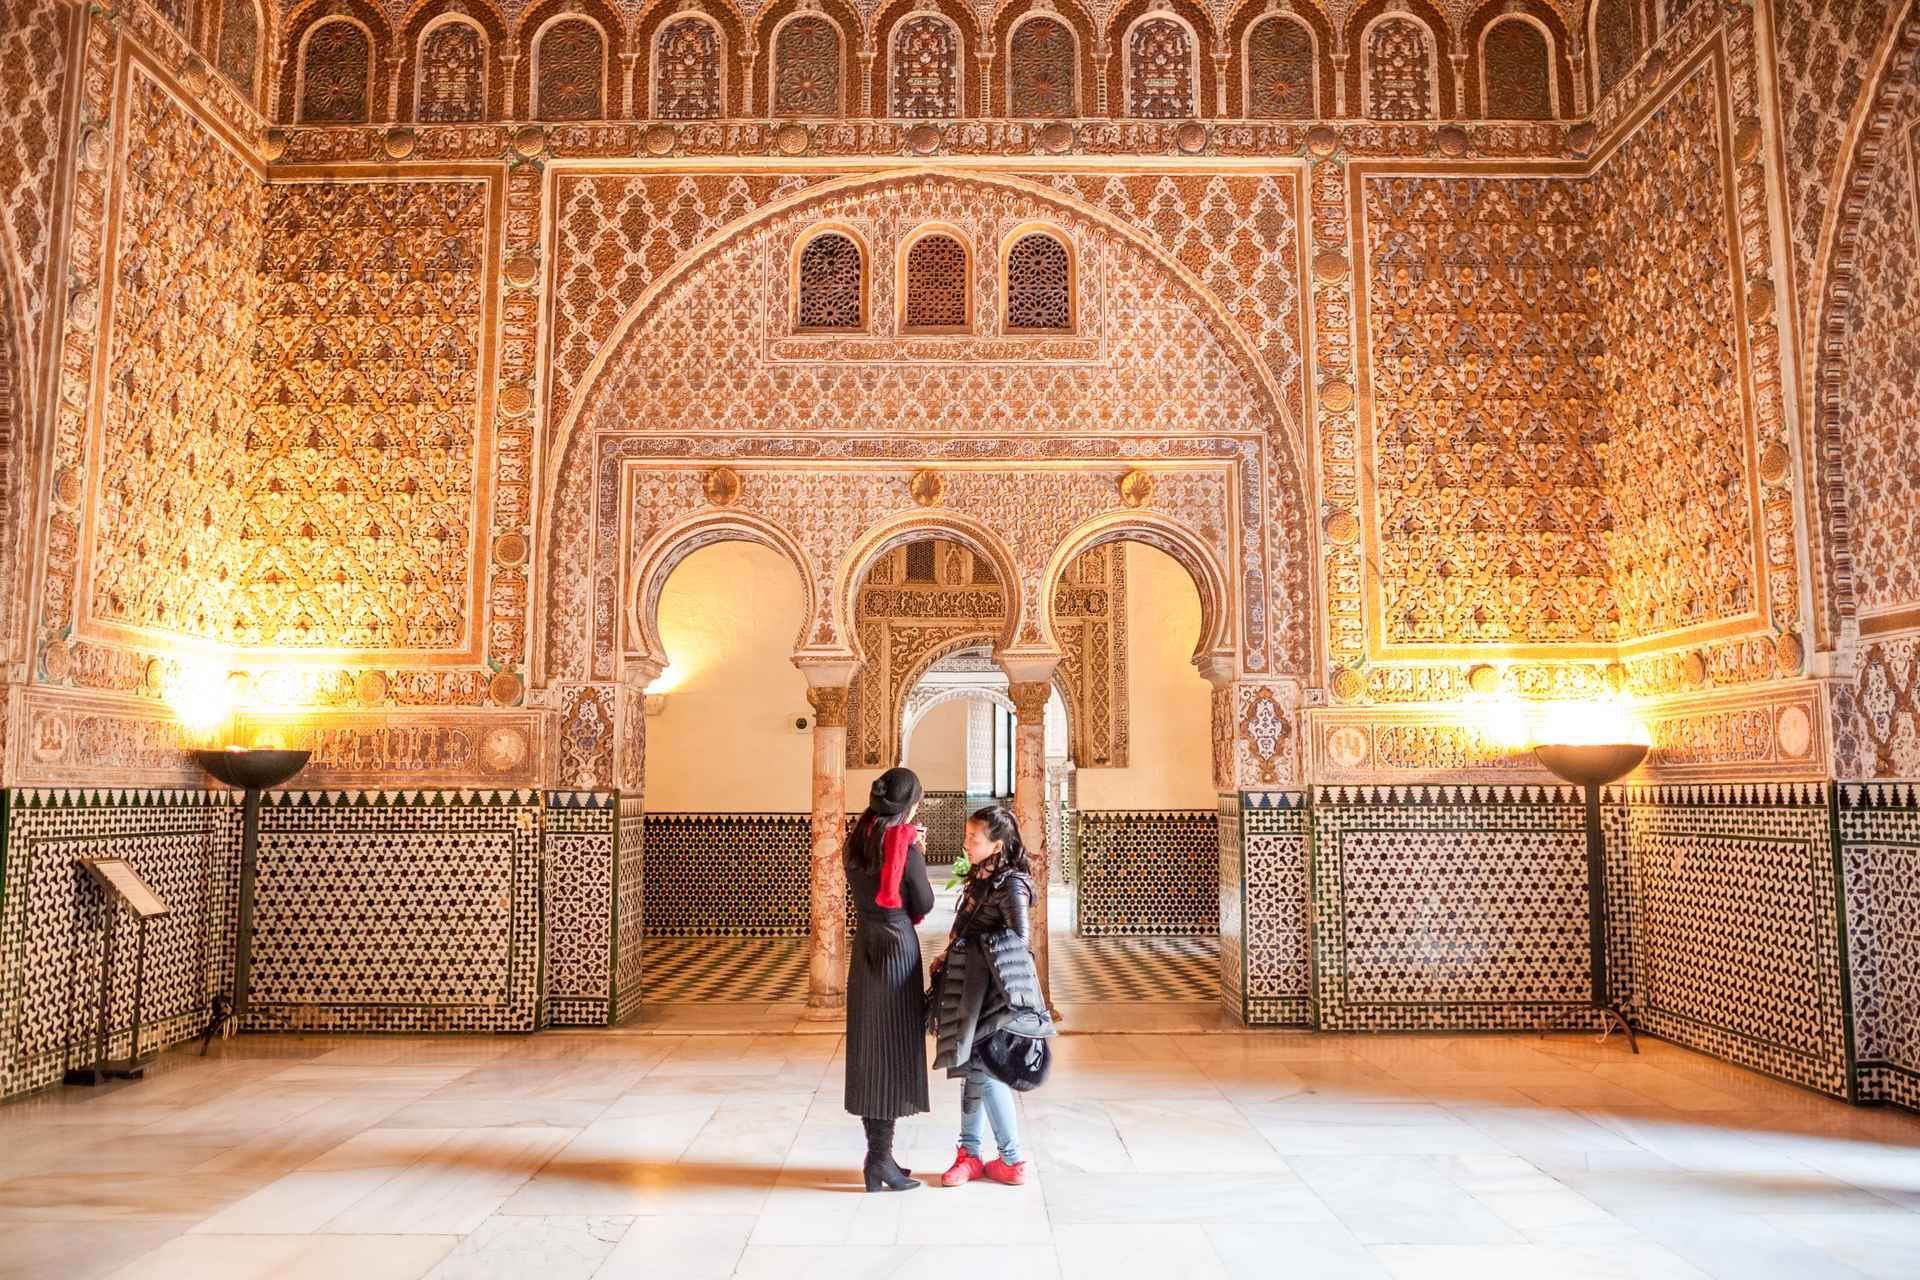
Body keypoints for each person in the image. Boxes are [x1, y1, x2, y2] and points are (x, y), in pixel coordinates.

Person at [929, 804, 1055, 1187]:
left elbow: (1019, 940)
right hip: (972, 984)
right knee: (973, 1067)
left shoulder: (1012, 883)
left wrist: (969, 946)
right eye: (968, 836)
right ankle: (970, 1154)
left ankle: (1010, 1158)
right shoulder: (983, 874)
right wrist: (950, 952)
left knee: (985, 1070)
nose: (967, 843)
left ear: (997, 844)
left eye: (974, 838)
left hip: (996, 993)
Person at [843, 766, 935, 1192]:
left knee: (871, 1045)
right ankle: (879, 1159)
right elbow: (925, 901)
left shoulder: (857, 839)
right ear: (909, 804)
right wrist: (915, 852)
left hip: (865, 944)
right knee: (892, 1046)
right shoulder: (905, 847)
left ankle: (881, 1156)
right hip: (896, 946)